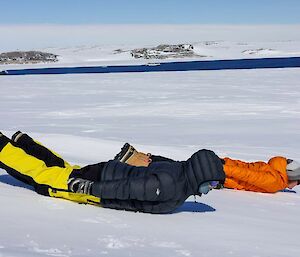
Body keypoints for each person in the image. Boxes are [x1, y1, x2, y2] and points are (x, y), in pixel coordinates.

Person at [0, 131, 225, 214]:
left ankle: (23, 143)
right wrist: (89, 188)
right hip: (102, 184)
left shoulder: (180, 169)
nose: (210, 190)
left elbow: (154, 161)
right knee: (42, 178)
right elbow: (126, 190)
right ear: (200, 176)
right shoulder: (170, 187)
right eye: (212, 184)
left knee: (63, 170)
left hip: (107, 171)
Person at [115, 143, 300, 193]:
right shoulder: (276, 181)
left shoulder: (273, 168)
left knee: (180, 166)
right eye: (297, 183)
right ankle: (137, 161)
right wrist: (220, 169)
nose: (295, 186)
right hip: (221, 174)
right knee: (178, 171)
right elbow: (247, 174)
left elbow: (247, 168)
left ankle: (142, 158)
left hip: (223, 165)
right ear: (292, 177)